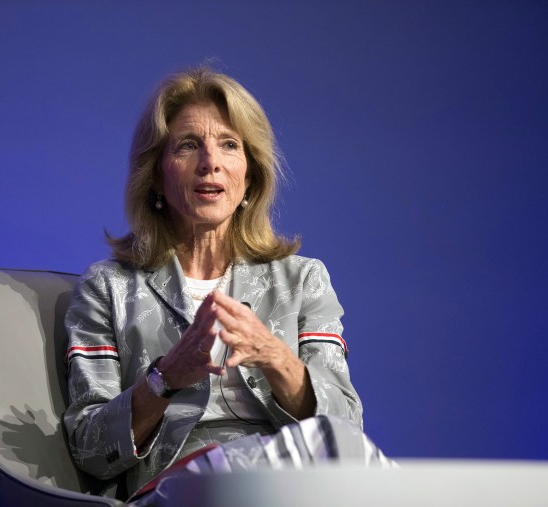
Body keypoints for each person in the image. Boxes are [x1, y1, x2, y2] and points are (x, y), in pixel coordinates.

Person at [64, 66, 391, 503]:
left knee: (358, 465)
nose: (210, 162)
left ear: (249, 177)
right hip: (179, 488)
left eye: (229, 145)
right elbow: (89, 448)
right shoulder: (108, 288)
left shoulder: (303, 280)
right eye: (187, 145)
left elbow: (345, 428)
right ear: (156, 176)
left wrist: (276, 357)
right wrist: (166, 377)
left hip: (293, 480)